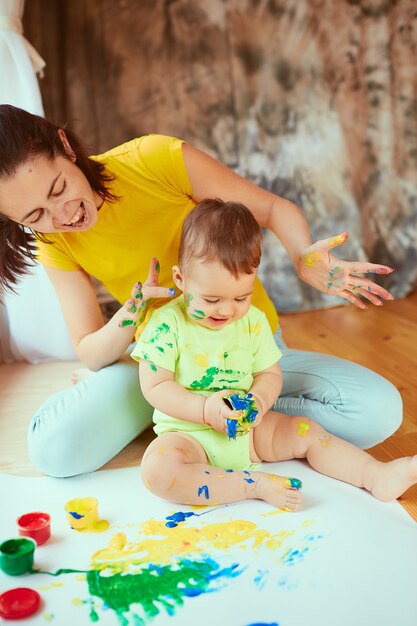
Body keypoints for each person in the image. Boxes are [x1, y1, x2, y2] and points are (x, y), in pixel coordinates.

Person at [0, 104, 401, 478]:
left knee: (378, 413)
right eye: (35, 216)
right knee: (53, 449)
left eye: (58, 189)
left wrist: (303, 256)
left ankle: (193, 422)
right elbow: (89, 347)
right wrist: (133, 312)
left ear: (66, 147)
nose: (63, 215)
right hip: (163, 373)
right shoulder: (53, 241)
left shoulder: (153, 160)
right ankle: (187, 414)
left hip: (246, 356)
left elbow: (273, 210)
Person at [132, 199, 417, 509]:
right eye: (212, 299)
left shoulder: (253, 321)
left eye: (241, 297)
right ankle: (252, 486)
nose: (227, 310)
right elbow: (155, 386)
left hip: (250, 433)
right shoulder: (166, 324)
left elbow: (269, 374)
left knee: (305, 432)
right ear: (180, 280)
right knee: (157, 471)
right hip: (189, 436)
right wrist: (205, 411)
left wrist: (259, 400)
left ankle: (375, 475)